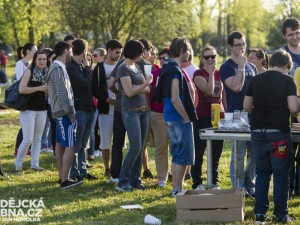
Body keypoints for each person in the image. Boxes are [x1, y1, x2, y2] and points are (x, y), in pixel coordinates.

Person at [244, 49, 300, 224]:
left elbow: (246, 106)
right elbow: (293, 109)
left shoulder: (256, 79)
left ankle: (260, 214)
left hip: (258, 133)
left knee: (262, 173)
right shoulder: (288, 80)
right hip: (279, 135)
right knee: (281, 175)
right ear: (286, 66)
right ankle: (281, 214)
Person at [151, 38, 197, 197]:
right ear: (183, 51)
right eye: (189, 50)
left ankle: (177, 188)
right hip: (178, 118)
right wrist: (186, 118)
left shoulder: (168, 67)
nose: (190, 54)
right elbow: (175, 98)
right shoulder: (175, 71)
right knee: (182, 155)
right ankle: (177, 189)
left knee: (178, 153)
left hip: (171, 116)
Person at [219, 31, 257, 198]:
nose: (242, 48)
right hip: (236, 115)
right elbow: (236, 87)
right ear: (230, 46)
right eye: (238, 45)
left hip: (254, 115)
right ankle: (238, 189)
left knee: (256, 153)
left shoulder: (252, 67)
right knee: (239, 154)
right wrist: (241, 66)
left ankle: (249, 183)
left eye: (243, 44)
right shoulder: (226, 67)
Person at [115, 40, 152, 192]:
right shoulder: (123, 68)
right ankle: (123, 182)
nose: (143, 55)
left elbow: (147, 90)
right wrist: (143, 85)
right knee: (135, 147)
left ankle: (135, 180)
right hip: (131, 112)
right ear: (134, 52)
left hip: (143, 111)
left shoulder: (136, 67)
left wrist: (139, 87)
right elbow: (129, 92)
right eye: (141, 52)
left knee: (140, 147)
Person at [45, 41, 82, 189]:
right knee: (70, 146)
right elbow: (61, 93)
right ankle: (66, 180)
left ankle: (62, 177)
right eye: (71, 51)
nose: (72, 54)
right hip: (63, 113)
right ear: (66, 51)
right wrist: (70, 113)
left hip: (59, 112)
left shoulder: (57, 67)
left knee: (60, 144)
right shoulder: (58, 69)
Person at [191, 46, 227, 190]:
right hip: (202, 117)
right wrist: (211, 73)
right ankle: (197, 182)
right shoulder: (198, 73)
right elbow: (209, 90)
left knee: (216, 153)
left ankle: (214, 182)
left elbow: (222, 97)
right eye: (207, 57)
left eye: (213, 56)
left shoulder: (219, 74)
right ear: (202, 59)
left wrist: (226, 113)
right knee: (199, 152)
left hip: (218, 118)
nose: (210, 59)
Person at [92, 39, 123, 177]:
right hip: (105, 109)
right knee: (105, 141)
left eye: (120, 53)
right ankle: (107, 168)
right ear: (109, 51)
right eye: (117, 52)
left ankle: (117, 167)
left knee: (119, 141)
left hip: (120, 109)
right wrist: (106, 99)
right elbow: (94, 89)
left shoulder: (122, 66)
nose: (118, 56)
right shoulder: (99, 68)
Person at [67, 38, 97, 181]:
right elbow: (85, 83)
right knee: (77, 143)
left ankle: (83, 170)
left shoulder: (80, 66)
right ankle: (75, 172)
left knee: (84, 144)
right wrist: (87, 68)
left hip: (89, 107)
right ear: (85, 51)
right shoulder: (71, 67)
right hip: (80, 109)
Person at [14, 50, 48, 171]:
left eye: (44, 59)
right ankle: (18, 164)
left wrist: (48, 92)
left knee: (37, 139)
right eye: (39, 59)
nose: (42, 61)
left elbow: (47, 93)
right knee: (28, 138)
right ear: (35, 60)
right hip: (28, 110)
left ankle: (35, 164)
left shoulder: (47, 73)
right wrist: (40, 88)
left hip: (42, 110)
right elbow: (21, 89)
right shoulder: (29, 71)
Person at [281, 17, 300, 197]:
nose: (295, 37)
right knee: (288, 150)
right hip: (287, 109)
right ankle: (288, 187)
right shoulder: (282, 55)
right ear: (284, 36)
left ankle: (298, 187)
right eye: (291, 34)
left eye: (297, 33)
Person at [14, 43, 37, 157]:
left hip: (33, 96)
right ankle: (18, 149)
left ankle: (28, 148)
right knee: (25, 126)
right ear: (28, 51)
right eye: (34, 50)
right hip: (24, 97)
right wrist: (28, 69)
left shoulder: (32, 63)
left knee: (31, 126)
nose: (36, 52)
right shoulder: (20, 63)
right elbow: (19, 80)